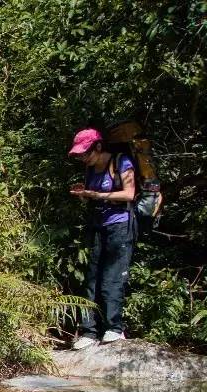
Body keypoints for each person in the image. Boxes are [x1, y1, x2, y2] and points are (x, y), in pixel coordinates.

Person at [68, 128, 137, 348]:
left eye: (84, 153)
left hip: (120, 225)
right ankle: (89, 331)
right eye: (79, 155)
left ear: (98, 147)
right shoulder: (91, 170)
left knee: (112, 277)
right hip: (98, 226)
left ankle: (115, 328)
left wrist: (97, 195)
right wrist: (84, 196)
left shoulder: (121, 162)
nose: (82, 158)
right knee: (92, 277)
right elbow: (94, 197)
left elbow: (129, 194)